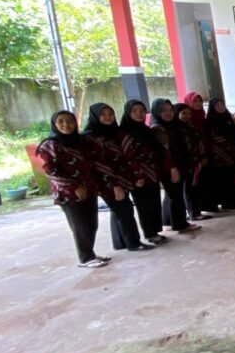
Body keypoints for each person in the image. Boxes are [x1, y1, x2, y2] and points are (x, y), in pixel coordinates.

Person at [37, 111, 109, 268]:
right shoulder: (50, 145)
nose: (66, 125)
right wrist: (75, 187)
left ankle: (90, 253)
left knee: (91, 224)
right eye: (61, 122)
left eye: (69, 121)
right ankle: (85, 258)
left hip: (89, 189)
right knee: (80, 225)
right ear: (54, 125)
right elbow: (51, 172)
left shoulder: (81, 141)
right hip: (69, 193)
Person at [82, 102, 152, 253]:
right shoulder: (90, 137)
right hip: (107, 182)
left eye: (110, 114)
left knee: (118, 210)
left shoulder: (117, 132)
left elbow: (129, 156)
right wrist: (114, 184)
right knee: (125, 210)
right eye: (103, 114)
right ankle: (134, 243)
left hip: (123, 178)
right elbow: (98, 164)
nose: (108, 117)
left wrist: (136, 175)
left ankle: (120, 242)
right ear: (95, 116)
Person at [150, 98, 201, 233]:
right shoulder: (158, 128)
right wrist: (172, 168)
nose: (168, 113)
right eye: (163, 111)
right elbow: (163, 151)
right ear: (157, 112)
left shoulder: (173, 125)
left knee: (172, 194)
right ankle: (180, 224)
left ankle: (169, 220)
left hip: (178, 164)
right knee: (176, 195)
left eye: (170, 110)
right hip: (169, 168)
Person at [119, 100, 167, 244]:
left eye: (142, 110)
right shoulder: (125, 133)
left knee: (153, 202)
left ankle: (155, 231)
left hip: (152, 173)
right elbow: (128, 156)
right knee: (143, 205)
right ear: (128, 113)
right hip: (137, 175)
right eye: (135, 111)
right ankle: (149, 233)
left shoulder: (146, 130)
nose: (139, 114)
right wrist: (138, 175)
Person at [204, 97, 235, 211]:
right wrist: (229, 150)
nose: (221, 107)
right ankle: (228, 204)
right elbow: (214, 138)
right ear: (213, 107)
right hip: (220, 157)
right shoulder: (211, 121)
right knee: (224, 180)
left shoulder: (228, 117)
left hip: (233, 154)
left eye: (222, 104)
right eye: (217, 105)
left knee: (234, 177)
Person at [175, 102, 209, 222]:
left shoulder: (191, 127)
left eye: (189, 113)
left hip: (195, 162)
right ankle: (192, 213)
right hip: (184, 164)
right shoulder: (176, 130)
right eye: (183, 113)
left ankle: (196, 211)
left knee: (195, 188)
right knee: (188, 189)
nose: (187, 116)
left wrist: (202, 157)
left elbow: (198, 143)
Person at [182, 92, 214, 215]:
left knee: (205, 182)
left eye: (199, 101)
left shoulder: (202, 117)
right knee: (192, 185)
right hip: (193, 159)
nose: (198, 104)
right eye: (195, 101)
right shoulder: (188, 121)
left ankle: (205, 206)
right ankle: (193, 212)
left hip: (205, 154)